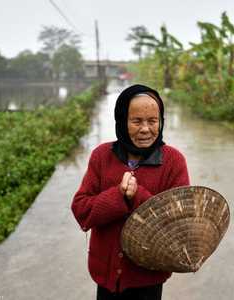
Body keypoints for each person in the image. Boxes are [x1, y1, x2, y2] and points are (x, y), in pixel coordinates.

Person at [71, 84, 190, 300]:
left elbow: (176, 227)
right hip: (105, 275)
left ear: (160, 122)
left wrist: (137, 196)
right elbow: (81, 210)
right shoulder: (101, 156)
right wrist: (117, 196)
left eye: (152, 121)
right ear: (122, 122)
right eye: (136, 121)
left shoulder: (174, 162)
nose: (145, 129)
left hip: (148, 276)